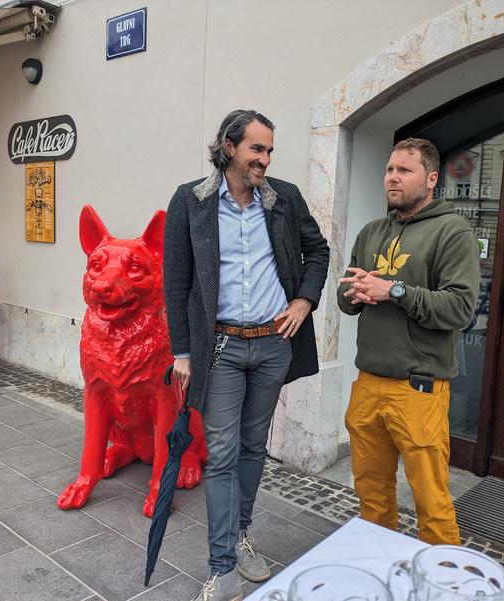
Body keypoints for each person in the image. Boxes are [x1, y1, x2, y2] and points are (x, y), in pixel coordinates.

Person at [164, 109, 329, 601]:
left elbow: (317, 250)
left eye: (270, 151)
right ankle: (221, 567)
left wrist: (303, 300)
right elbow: (176, 282)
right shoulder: (190, 201)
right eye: (257, 149)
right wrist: (182, 353)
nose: (265, 159)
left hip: (274, 344)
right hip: (221, 348)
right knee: (220, 455)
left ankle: (240, 535)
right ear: (229, 147)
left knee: (255, 447)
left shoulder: (283, 199)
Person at [337, 138, 480, 544]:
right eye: (388, 170)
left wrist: (393, 291)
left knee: (431, 505)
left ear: (431, 178)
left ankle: (442, 582)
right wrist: (355, 292)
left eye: (404, 171)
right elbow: (346, 301)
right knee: (371, 496)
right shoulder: (371, 231)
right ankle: (381, 571)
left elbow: (459, 308)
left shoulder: (453, 232)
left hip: (419, 389)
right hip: (368, 384)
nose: (392, 178)